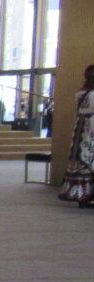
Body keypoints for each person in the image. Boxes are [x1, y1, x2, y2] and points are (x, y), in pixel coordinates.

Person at [58, 63, 94, 207]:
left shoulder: (80, 93)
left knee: (80, 158)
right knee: (89, 161)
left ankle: (81, 196)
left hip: (80, 127)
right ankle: (86, 196)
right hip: (90, 128)